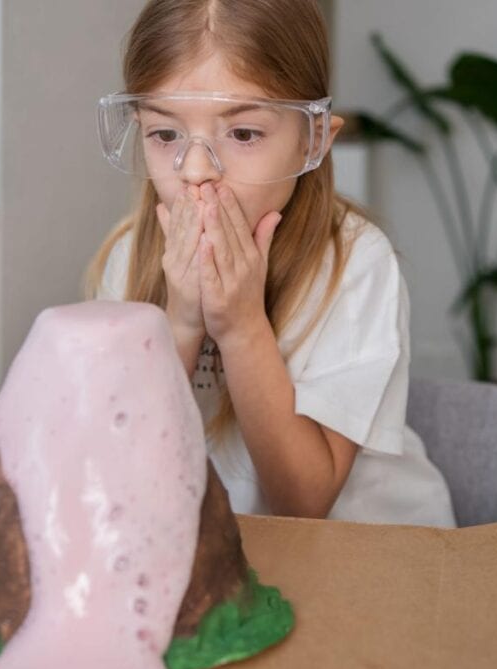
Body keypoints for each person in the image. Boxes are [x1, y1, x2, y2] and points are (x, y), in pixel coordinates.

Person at [85, 0, 455, 528]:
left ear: (314, 139)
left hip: (373, 552)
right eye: (165, 134)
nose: (195, 171)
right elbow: (118, 475)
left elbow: (304, 503)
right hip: (225, 556)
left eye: (243, 134)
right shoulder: (130, 256)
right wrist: (183, 321)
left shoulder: (355, 262)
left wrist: (240, 327)